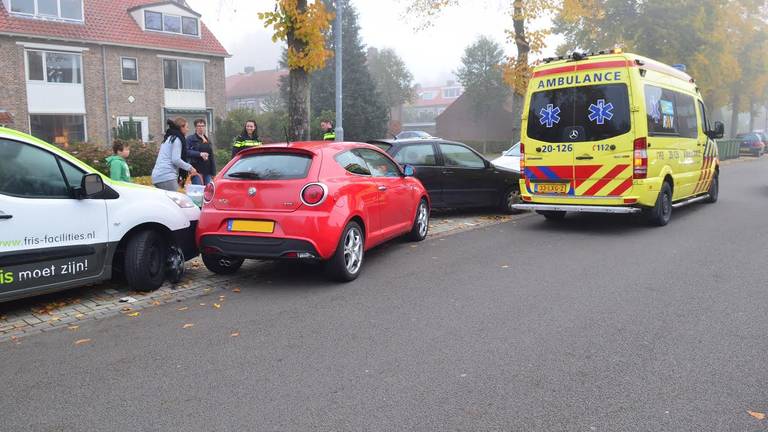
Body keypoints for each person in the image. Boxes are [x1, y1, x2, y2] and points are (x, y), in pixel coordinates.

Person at [152, 118, 197, 192]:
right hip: (166, 176)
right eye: (187, 127)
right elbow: (176, 160)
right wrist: (190, 168)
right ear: (181, 127)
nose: (188, 129)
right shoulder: (177, 139)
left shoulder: (169, 138)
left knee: (167, 202)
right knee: (176, 201)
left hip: (158, 176)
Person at [186, 119, 216, 185]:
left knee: (208, 192)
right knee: (198, 192)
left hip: (208, 172)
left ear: (205, 127)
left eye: (202, 126)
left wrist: (213, 173)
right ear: (195, 127)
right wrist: (200, 154)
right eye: (199, 126)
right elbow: (186, 152)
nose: (201, 128)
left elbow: (211, 157)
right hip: (196, 171)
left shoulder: (208, 140)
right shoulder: (190, 139)